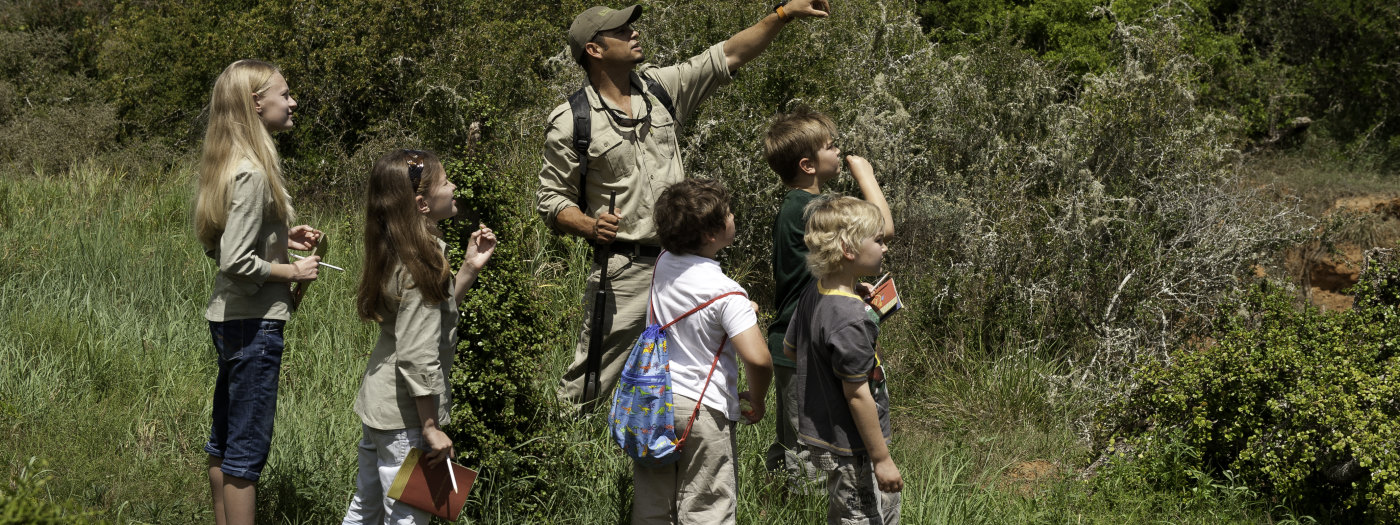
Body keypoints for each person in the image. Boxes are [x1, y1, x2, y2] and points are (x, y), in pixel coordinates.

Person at [538, 0, 832, 409]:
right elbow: (551, 199)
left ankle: (674, 451)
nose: (634, 33)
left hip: (687, 264)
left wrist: (782, 14)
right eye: (621, 31)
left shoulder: (660, 89)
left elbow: (728, 54)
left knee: (692, 374)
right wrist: (588, 226)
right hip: (626, 269)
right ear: (594, 50)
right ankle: (560, 454)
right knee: (590, 381)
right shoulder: (573, 120)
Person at [194, 59, 322, 525]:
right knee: (245, 455)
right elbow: (235, 260)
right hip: (253, 323)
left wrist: (280, 234)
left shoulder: (231, 162)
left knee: (224, 442)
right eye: (284, 94)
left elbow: (224, 240)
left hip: (229, 317)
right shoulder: (252, 171)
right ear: (256, 103)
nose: (292, 102)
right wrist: (292, 269)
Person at [341, 149, 497, 524]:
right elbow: (416, 352)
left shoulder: (400, 249)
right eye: (445, 182)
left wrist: (467, 269)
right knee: (408, 517)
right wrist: (429, 427)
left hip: (381, 408)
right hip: (406, 419)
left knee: (367, 508)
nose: (454, 186)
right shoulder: (421, 262)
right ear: (422, 203)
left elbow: (430, 316)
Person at [762, 107, 894, 490]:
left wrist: (849, 287)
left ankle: (791, 498)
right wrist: (866, 176)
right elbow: (882, 227)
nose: (838, 152)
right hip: (800, 343)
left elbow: (818, 272)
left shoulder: (803, 206)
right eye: (831, 147)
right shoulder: (805, 208)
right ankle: (801, 502)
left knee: (803, 439)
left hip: (803, 337)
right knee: (808, 444)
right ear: (808, 164)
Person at [633, 178, 772, 524]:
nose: (733, 215)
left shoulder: (664, 261)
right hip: (703, 411)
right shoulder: (727, 292)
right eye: (727, 213)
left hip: (655, 399)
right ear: (711, 234)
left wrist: (741, 312)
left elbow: (693, 305)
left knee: (653, 506)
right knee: (706, 507)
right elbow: (758, 358)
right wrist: (757, 398)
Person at [785, 196, 903, 524]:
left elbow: (791, 350)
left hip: (825, 437)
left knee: (843, 514)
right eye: (878, 240)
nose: (885, 247)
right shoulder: (850, 317)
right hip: (856, 447)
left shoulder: (816, 290)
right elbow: (857, 393)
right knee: (867, 517)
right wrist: (882, 459)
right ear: (849, 250)